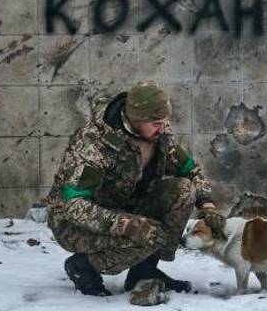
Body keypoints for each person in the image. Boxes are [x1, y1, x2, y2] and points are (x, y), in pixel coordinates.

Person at [45, 82, 223, 297]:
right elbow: (74, 205)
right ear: (135, 120)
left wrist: (208, 206)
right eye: (156, 123)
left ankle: (143, 272)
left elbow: (189, 169)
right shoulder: (93, 144)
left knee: (183, 190)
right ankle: (84, 266)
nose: (164, 128)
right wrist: (127, 225)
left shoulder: (158, 135)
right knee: (149, 235)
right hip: (76, 224)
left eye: (165, 121)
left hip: (125, 206)